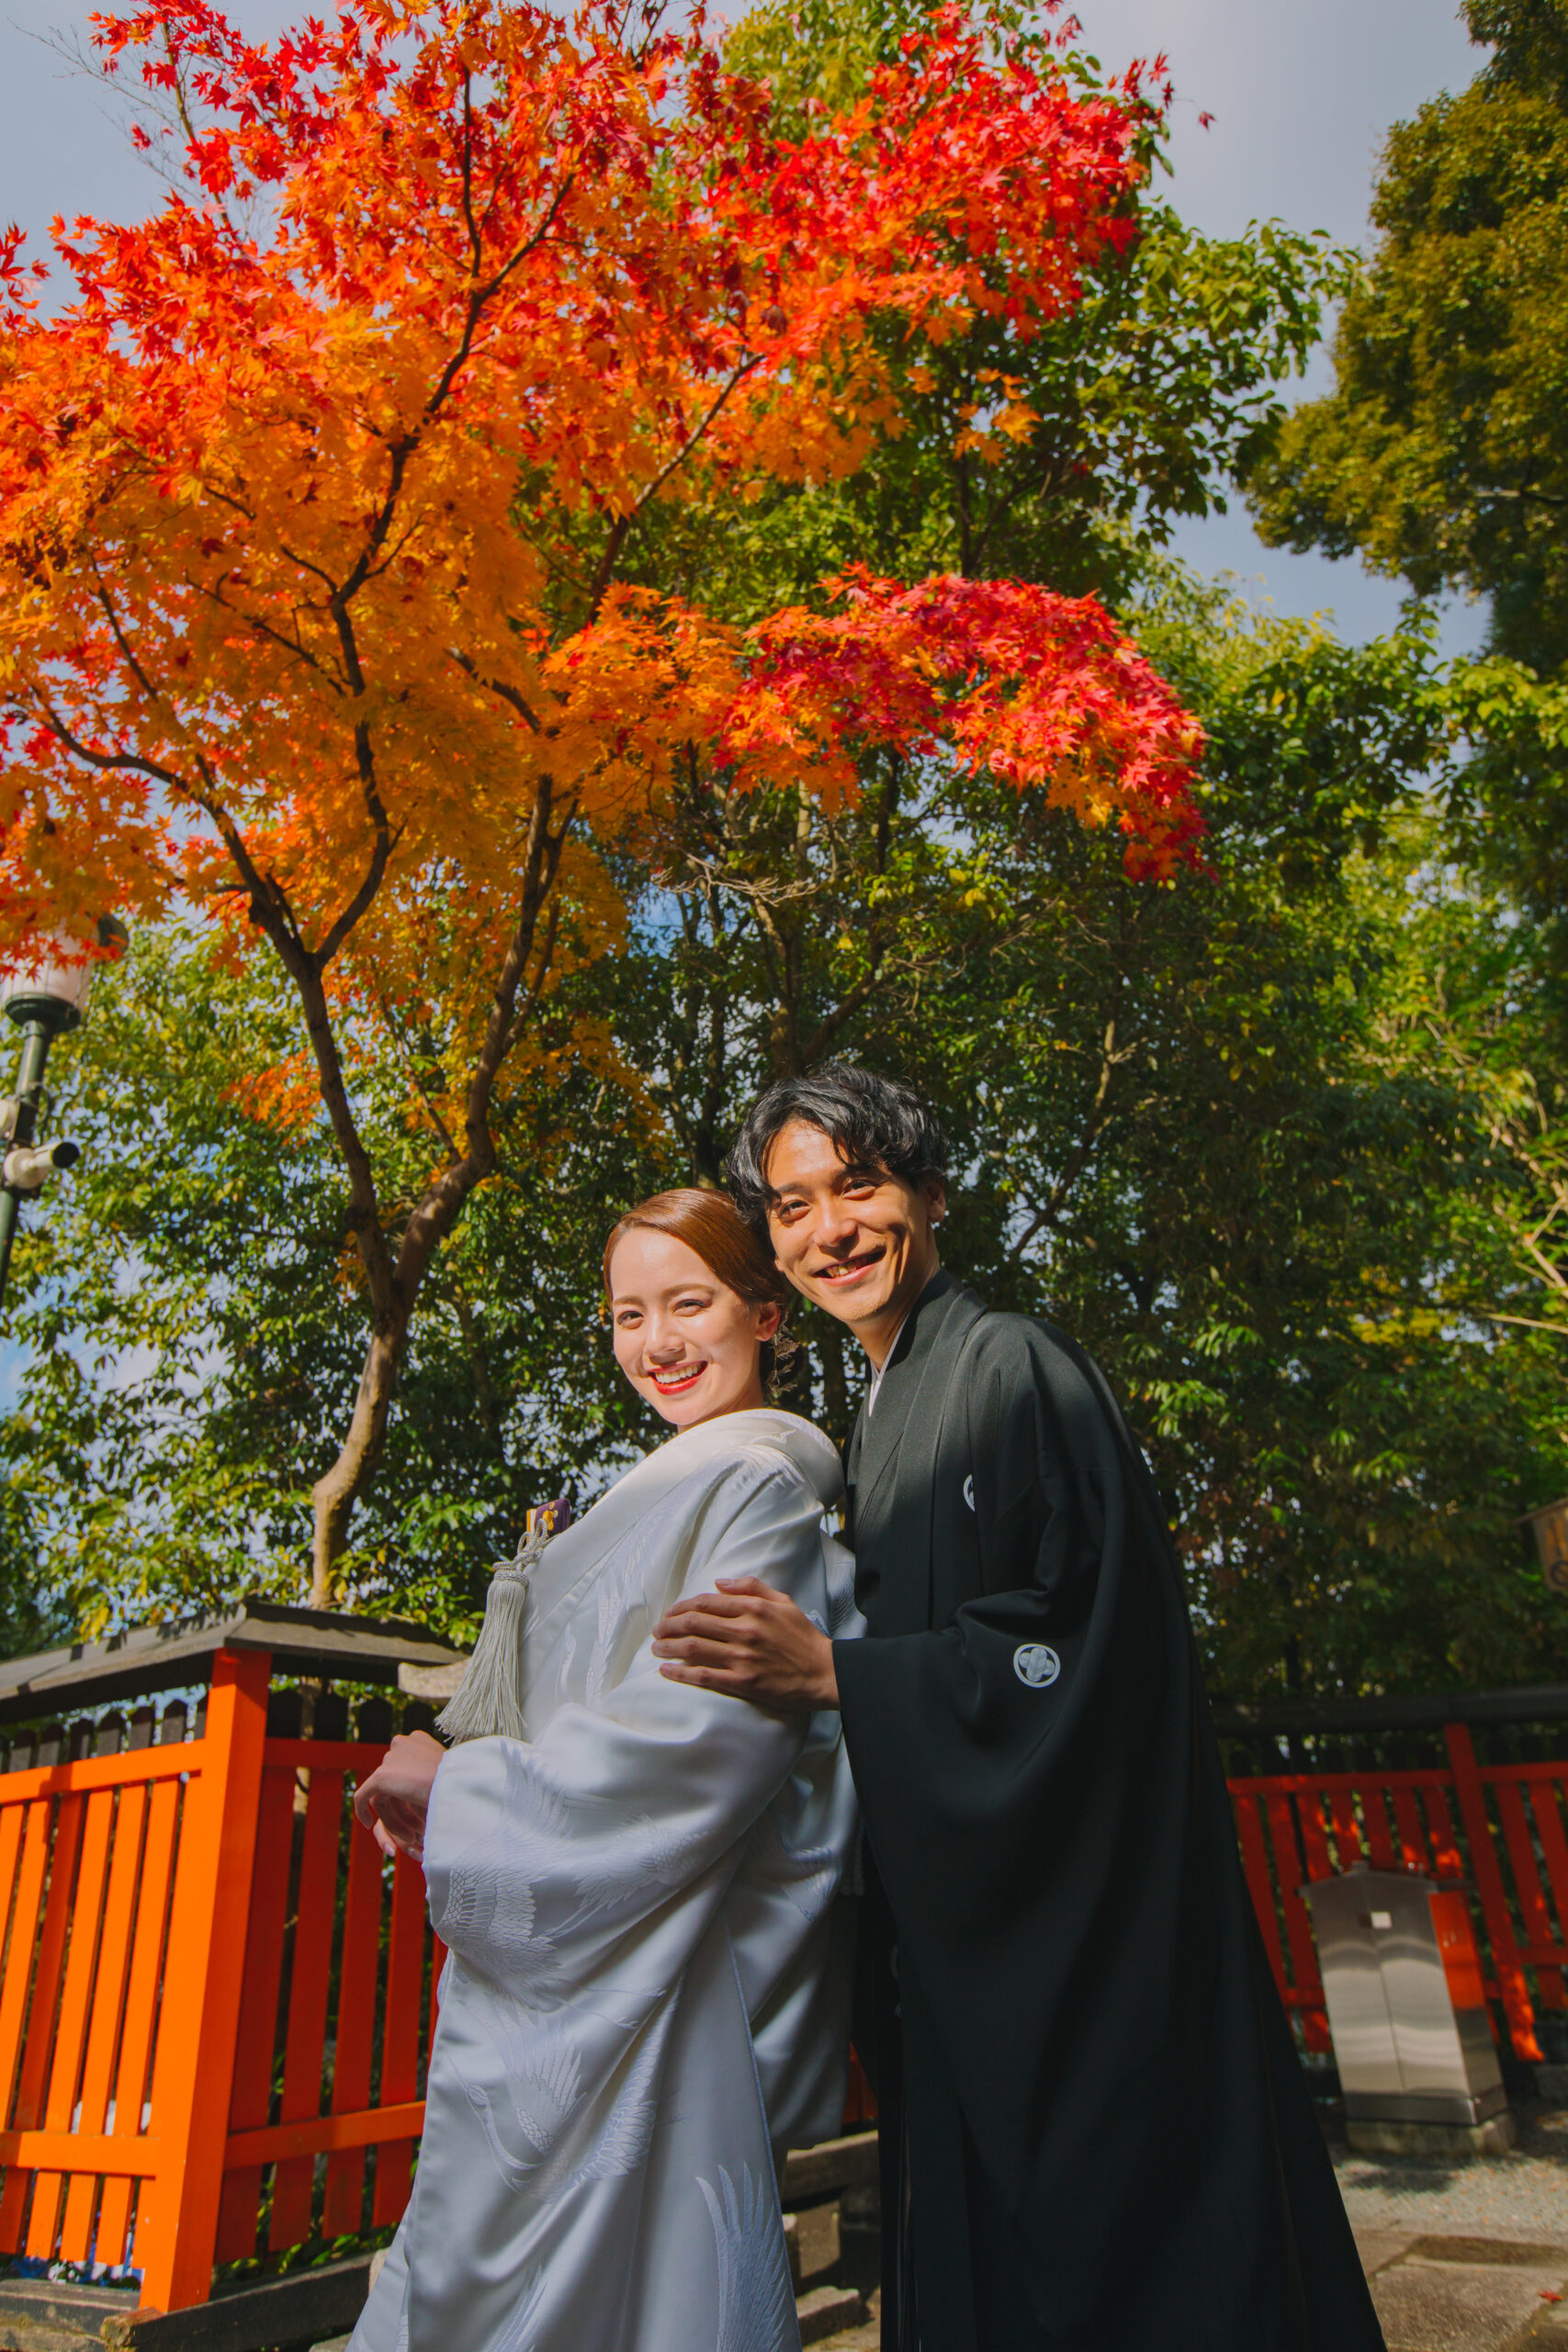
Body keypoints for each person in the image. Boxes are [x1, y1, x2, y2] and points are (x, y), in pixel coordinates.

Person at [652, 1067, 1385, 2352]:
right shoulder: (878, 1427)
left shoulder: (1012, 1369)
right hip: (964, 1947)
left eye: (858, 1186)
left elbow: (1076, 1649)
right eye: (790, 1206)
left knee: (1116, 2276)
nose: (828, 1230)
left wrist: (840, 1674)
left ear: (929, 1193)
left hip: (1087, 1959)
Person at [350, 1188, 863, 2352]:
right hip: (580, 1960)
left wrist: (469, 1793)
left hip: (658, 1975)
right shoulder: (661, 1488)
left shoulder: (761, 1488)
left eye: (691, 1303)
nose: (660, 1342)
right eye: (631, 1315)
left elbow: (704, 1736)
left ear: (767, 1313)